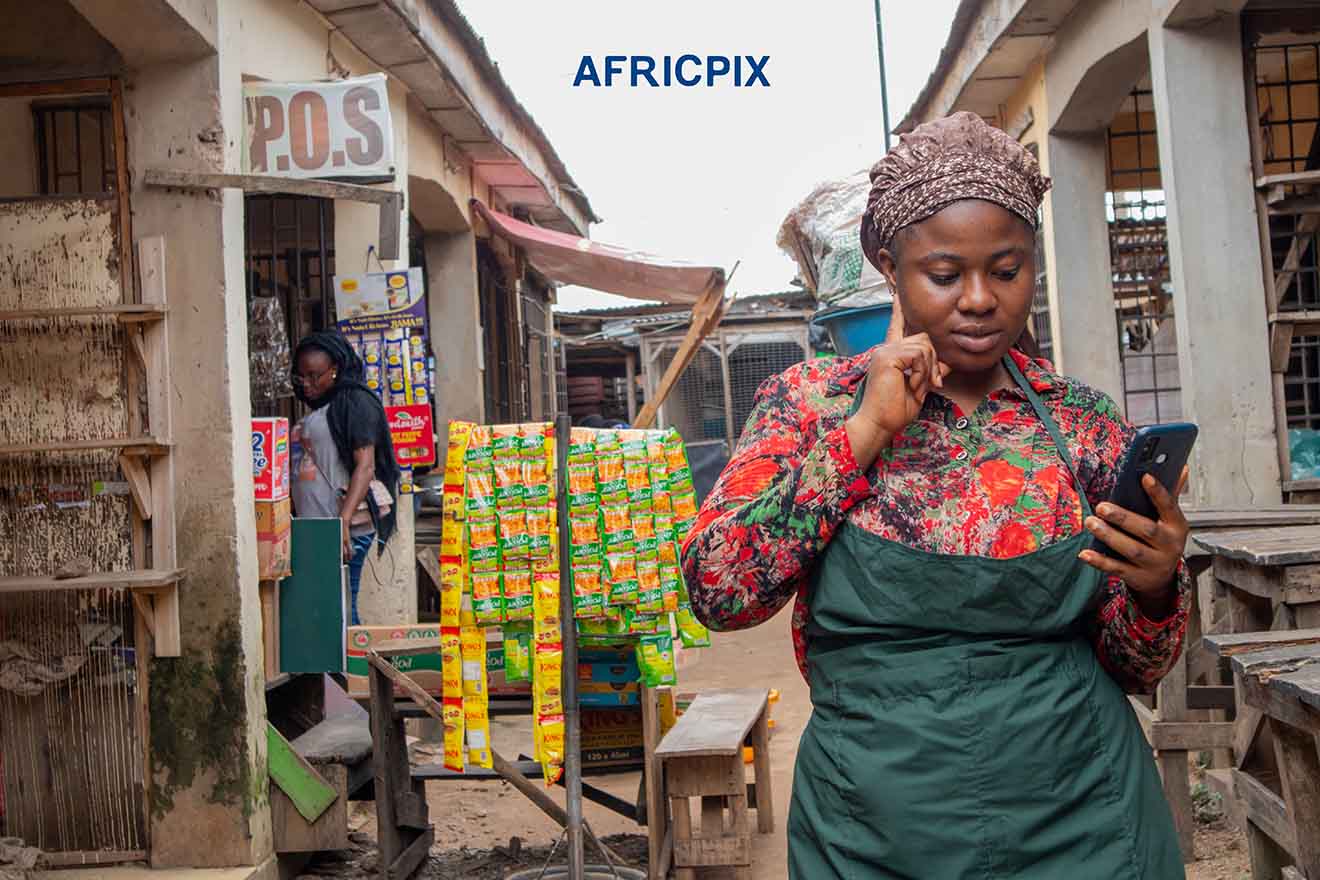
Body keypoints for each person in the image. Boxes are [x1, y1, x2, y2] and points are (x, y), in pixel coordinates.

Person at [682, 112, 1191, 878]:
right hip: (874, 822)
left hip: (1081, 812)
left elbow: (1134, 668)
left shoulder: (1083, 424)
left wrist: (1155, 589)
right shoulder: (811, 406)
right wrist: (865, 432)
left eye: (1008, 269)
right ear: (892, 268)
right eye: (945, 275)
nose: (980, 299)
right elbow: (719, 593)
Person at [290, 330, 399, 626]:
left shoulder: (356, 403)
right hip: (318, 528)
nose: (307, 384)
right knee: (328, 610)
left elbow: (365, 466)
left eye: (315, 376)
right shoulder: (323, 408)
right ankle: (342, 671)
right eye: (301, 377)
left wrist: (343, 523)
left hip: (342, 530)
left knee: (340, 611)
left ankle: (355, 671)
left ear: (335, 370)